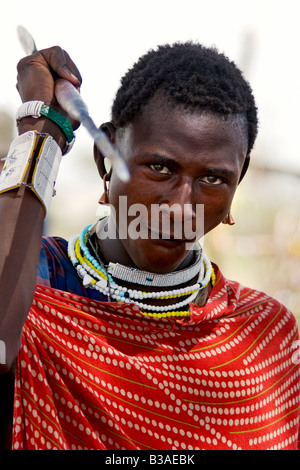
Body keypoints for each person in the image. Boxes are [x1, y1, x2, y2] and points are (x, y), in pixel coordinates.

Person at [0, 42, 299, 451]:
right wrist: (41, 131)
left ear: (239, 179)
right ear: (106, 160)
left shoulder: (265, 336)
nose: (180, 207)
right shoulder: (36, 282)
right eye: (159, 168)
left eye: (213, 179)